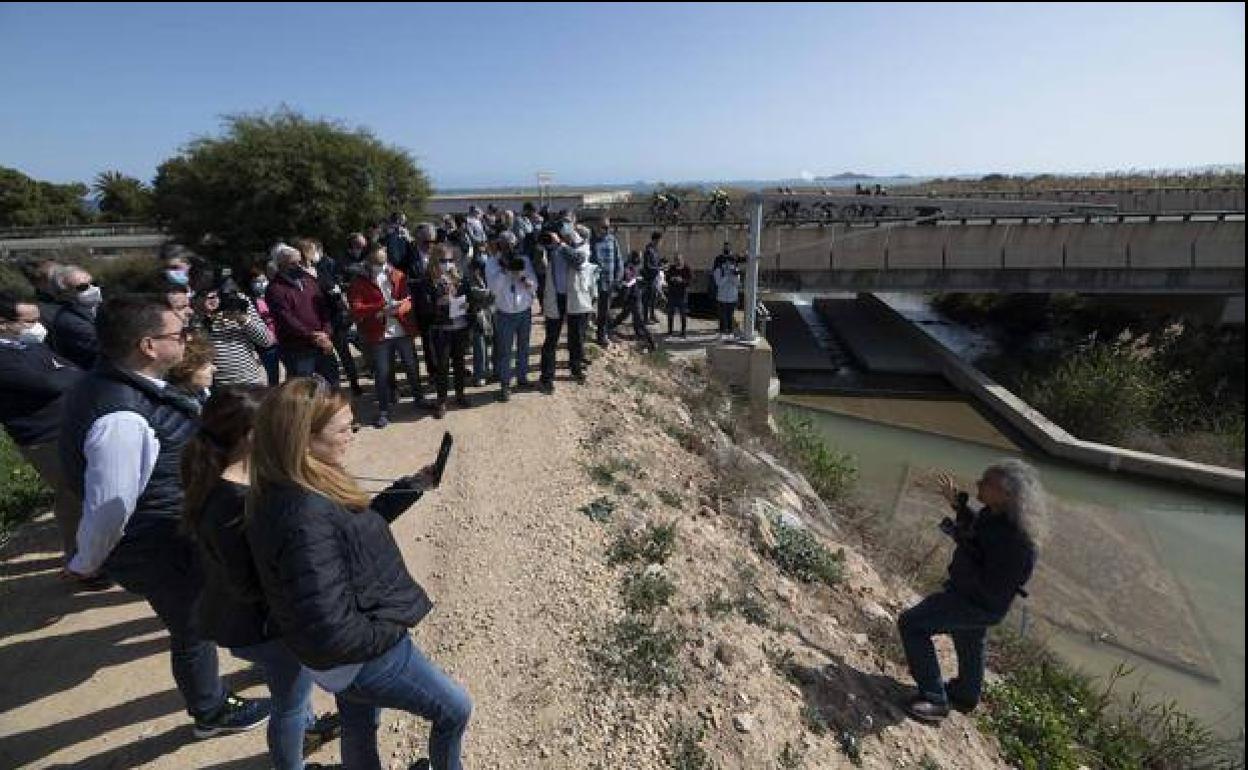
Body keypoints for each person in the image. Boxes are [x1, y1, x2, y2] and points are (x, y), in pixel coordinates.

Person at [59, 294, 270, 736]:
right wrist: (86, 562)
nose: (188, 339)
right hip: (159, 546)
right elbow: (109, 507)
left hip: (173, 533)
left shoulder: (125, 386)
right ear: (148, 346)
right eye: (179, 334)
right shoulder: (121, 416)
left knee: (211, 607)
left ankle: (256, 663)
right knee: (193, 627)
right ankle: (211, 713)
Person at [246, 377, 472, 770]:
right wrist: (391, 626)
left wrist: (412, 487)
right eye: (343, 428)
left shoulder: (295, 484)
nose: (353, 434)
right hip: (362, 656)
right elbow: (331, 625)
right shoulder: (304, 514)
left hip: (339, 660)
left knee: (359, 722)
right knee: (455, 710)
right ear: (303, 438)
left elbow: (353, 525)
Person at [182, 386, 341, 770]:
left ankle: (306, 730)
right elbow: (251, 582)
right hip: (265, 627)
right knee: (289, 702)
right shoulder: (234, 502)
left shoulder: (232, 480)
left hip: (255, 620)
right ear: (253, 436)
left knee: (293, 695)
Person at [897, 461, 1043, 724]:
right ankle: (965, 694)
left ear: (1007, 494)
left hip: (975, 602)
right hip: (974, 599)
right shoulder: (995, 515)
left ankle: (934, 699)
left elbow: (991, 576)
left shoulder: (1018, 542)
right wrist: (959, 507)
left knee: (912, 624)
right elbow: (980, 534)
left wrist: (963, 543)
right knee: (969, 639)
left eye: (986, 482)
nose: (978, 484)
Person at [0, 291, 103, 586]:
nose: (38, 327)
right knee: (73, 495)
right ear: (2, 323)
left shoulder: (26, 346)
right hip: (44, 437)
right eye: (29, 321)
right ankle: (81, 561)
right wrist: (63, 375)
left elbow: (72, 372)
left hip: (70, 427)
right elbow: (47, 382)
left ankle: (94, 553)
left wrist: (64, 375)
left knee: (86, 492)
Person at [347, 246, 427, 429]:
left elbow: (409, 300)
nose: (382, 267)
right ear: (367, 261)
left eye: (384, 262)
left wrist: (398, 308)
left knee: (412, 367)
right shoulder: (359, 282)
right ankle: (383, 410)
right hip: (378, 334)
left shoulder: (398, 275)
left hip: (402, 330)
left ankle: (419, 399)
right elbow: (356, 308)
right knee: (382, 374)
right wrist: (380, 308)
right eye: (377, 263)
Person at [265, 242, 340, 387]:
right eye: (294, 264)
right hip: (298, 350)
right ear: (281, 266)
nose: (299, 266)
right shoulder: (275, 290)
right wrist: (313, 336)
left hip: (323, 344)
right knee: (303, 391)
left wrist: (326, 333)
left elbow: (322, 307)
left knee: (333, 385)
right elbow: (286, 319)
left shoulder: (309, 281)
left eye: (301, 262)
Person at [297, 239, 363, 397]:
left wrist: (337, 296)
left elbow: (335, 290)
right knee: (324, 359)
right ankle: (326, 392)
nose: (316, 253)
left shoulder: (323, 268)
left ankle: (354, 384)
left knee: (344, 353)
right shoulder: (300, 275)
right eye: (313, 250)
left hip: (334, 319)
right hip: (316, 323)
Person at [488, 235, 537, 403]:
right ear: (499, 246)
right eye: (506, 245)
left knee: (524, 347)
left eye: (512, 245)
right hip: (504, 313)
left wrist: (523, 276)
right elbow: (493, 289)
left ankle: (522, 378)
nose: (509, 249)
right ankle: (504, 384)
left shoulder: (524, 259)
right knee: (505, 351)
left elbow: (534, 283)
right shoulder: (492, 263)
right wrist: (504, 271)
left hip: (524, 311)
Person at [196, 280, 274, 387]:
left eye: (215, 296)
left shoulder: (238, 300)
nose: (213, 301)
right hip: (215, 386)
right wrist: (202, 315)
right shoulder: (192, 310)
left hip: (249, 381)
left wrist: (243, 319)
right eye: (207, 296)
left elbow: (267, 341)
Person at [423, 245, 470, 418]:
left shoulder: (459, 276)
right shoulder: (428, 280)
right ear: (435, 260)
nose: (447, 264)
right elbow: (423, 306)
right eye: (443, 260)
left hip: (460, 327)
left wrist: (467, 304)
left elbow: (468, 296)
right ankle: (441, 401)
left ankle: (460, 395)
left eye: (450, 260)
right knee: (442, 367)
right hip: (441, 329)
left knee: (460, 364)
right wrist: (437, 303)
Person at [537, 230, 586, 395]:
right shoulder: (546, 252)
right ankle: (546, 378)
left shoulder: (572, 249)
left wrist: (561, 245)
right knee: (551, 339)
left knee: (575, 335)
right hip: (555, 298)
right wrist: (549, 246)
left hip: (572, 297)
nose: (549, 241)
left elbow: (579, 260)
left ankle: (576, 368)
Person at [45, 264, 102, 369]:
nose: (93, 289)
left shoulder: (99, 307)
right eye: (83, 287)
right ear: (65, 294)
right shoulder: (69, 321)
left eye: (94, 283)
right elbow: (103, 347)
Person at [610, 253, 655, 351]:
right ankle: (608, 328)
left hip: (634, 298)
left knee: (637, 321)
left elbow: (629, 283)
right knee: (625, 316)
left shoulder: (631, 268)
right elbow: (629, 282)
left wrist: (617, 301)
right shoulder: (631, 267)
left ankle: (650, 341)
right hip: (632, 297)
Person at [591, 219, 623, 346]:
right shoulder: (592, 242)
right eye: (604, 227)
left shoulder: (612, 240)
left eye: (608, 227)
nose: (607, 229)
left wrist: (618, 277)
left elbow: (618, 259)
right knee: (590, 310)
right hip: (595, 282)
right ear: (598, 227)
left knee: (605, 310)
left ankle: (602, 335)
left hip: (609, 282)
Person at [247, 266, 282, 386]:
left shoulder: (273, 295)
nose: (261, 284)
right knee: (273, 375)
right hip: (266, 344)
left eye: (263, 280)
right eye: (257, 281)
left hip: (282, 338)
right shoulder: (250, 301)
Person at [466, 251, 494, 387]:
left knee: (487, 345)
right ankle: (479, 375)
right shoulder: (468, 277)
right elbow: (473, 292)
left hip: (489, 314)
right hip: (476, 315)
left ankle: (486, 372)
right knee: (479, 346)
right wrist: (490, 292)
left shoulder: (488, 274)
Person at [167, 332, 217, 409]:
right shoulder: (173, 406)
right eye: (205, 366)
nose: (214, 369)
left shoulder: (203, 394)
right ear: (186, 369)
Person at [711, 256, 742, 338]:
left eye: (730, 263)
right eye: (726, 263)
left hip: (732, 297)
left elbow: (737, 283)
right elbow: (719, 283)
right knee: (722, 316)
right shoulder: (718, 271)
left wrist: (734, 275)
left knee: (730, 316)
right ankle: (722, 332)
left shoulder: (735, 270)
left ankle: (730, 332)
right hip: (722, 297)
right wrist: (727, 276)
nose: (728, 265)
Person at [665, 253, 693, 338]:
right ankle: (670, 331)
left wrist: (682, 280)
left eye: (679, 259)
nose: (677, 261)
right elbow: (667, 278)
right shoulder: (671, 268)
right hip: (672, 294)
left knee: (683, 314)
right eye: (676, 260)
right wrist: (672, 279)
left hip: (682, 294)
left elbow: (690, 281)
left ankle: (683, 332)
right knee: (670, 313)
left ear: (682, 259)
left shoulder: (687, 268)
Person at [642, 232, 663, 324]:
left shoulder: (655, 250)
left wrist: (662, 264)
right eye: (660, 240)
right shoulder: (649, 250)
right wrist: (659, 268)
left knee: (654, 297)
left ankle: (652, 315)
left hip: (655, 278)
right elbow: (647, 266)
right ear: (656, 240)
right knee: (648, 299)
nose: (660, 242)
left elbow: (656, 262)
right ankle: (646, 318)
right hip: (649, 278)